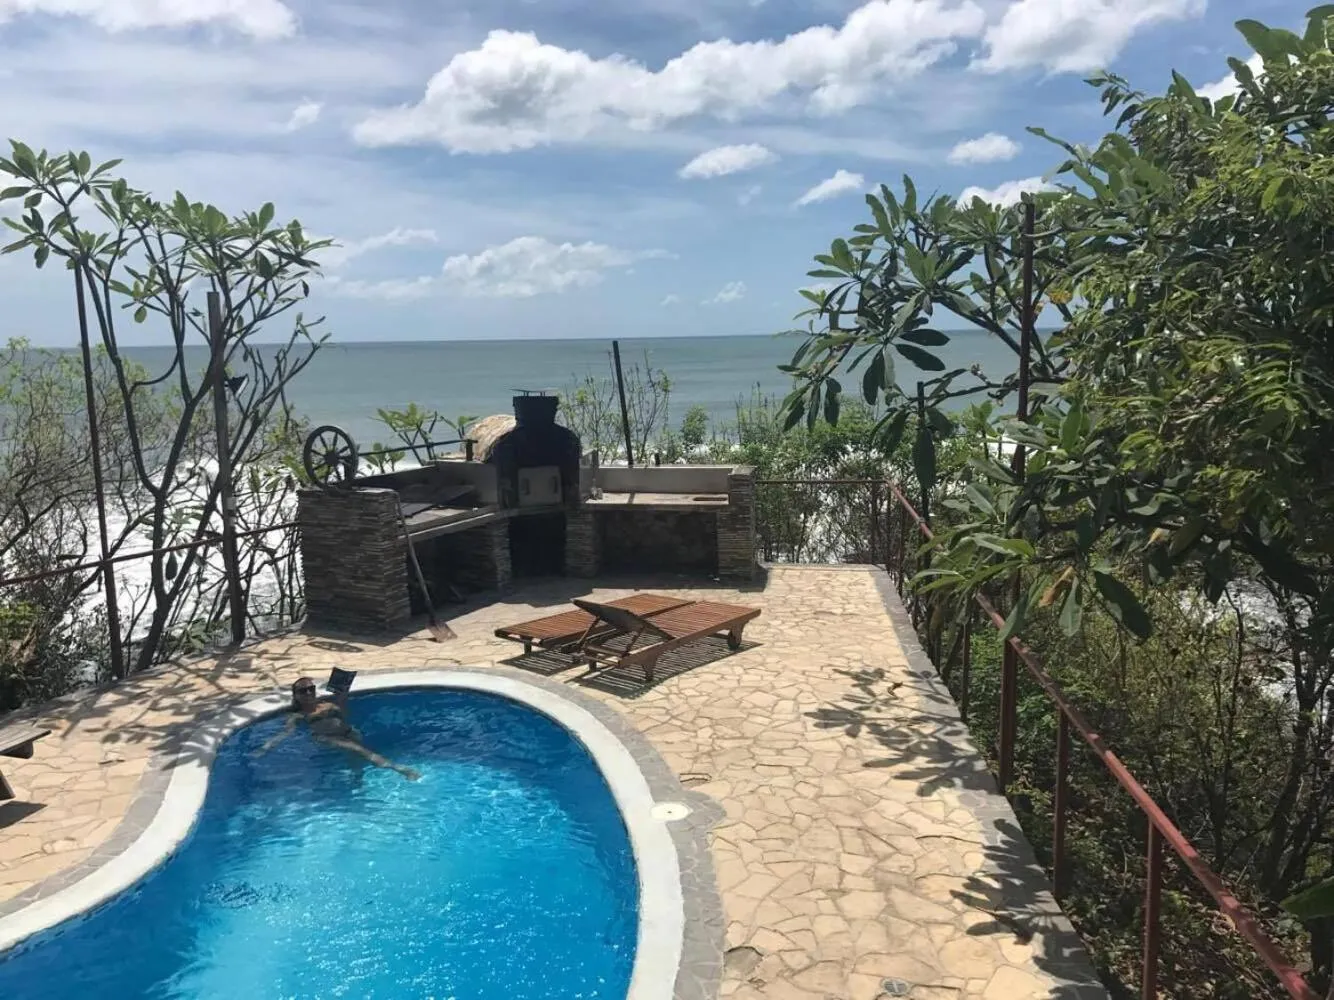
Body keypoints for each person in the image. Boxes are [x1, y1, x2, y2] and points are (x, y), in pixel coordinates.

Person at [254, 677, 420, 780]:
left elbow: (343, 715)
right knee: (363, 752)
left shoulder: (327, 704)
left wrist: (342, 697)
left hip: (347, 732)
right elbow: (285, 733)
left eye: (310, 689)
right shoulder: (298, 715)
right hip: (326, 738)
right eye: (303, 691)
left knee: (356, 758)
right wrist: (265, 747)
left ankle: (357, 782)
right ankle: (401, 770)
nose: (308, 693)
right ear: (296, 695)